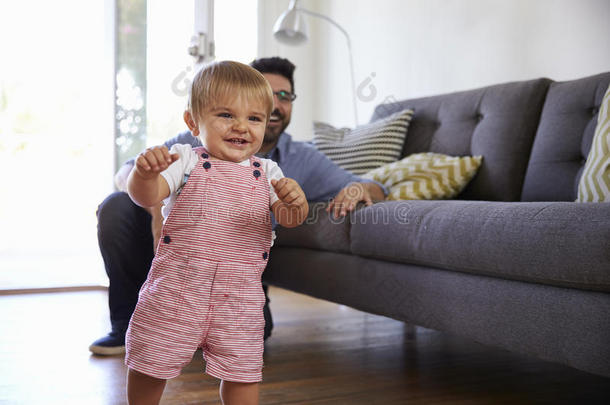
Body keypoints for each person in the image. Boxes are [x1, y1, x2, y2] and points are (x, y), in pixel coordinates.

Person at [90, 56, 386, 356]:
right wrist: (156, 206)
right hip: (181, 261)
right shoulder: (197, 141)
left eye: (283, 96)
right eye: (266, 92)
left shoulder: (302, 159)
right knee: (116, 206)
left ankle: (188, 330)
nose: (275, 103)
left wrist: (358, 188)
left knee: (257, 333)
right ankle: (127, 325)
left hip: (237, 275)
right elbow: (125, 173)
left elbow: (373, 186)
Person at [125, 60, 308, 405]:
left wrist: (295, 203)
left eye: (254, 118)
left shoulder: (268, 172)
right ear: (193, 121)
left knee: (242, 372)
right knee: (152, 361)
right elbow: (145, 196)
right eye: (226, 115)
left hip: (239, 300)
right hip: (178, 290)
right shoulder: (184, 160)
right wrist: (145, 174)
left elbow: (289, 216)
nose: (241, 127)